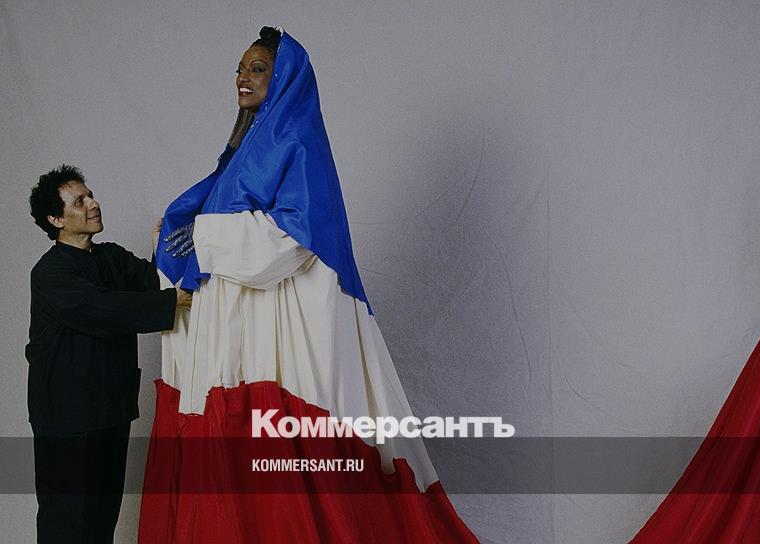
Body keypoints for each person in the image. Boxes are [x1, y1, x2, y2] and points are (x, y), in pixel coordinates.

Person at [140, 28, 477, 542]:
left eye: (257, 68)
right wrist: (182, 233)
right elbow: (210, 222)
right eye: (239, 68)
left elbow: (291, 240)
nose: (243, 77)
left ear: (284, 78)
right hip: (243, 325)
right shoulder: (242, 151)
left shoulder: (297, 140)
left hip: (279, 331)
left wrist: (202, 234)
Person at [26, 164, 192, 543]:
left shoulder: (112, 258)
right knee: (67, 524)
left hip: (110, 409)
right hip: (67, 419)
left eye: (90, 195)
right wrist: (172, 301)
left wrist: (162, 247)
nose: (93, 204)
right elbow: (102, 309)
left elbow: (153, 282)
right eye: (79, 201)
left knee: (101, 521)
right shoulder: (50, 273)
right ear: (55, 219)